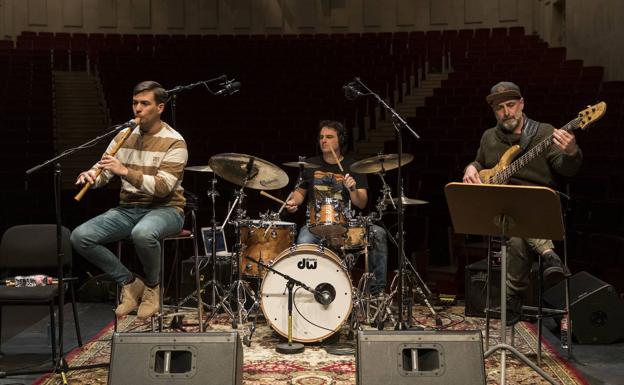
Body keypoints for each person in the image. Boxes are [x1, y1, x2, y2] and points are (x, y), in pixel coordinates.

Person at [462, 81, 581, 325]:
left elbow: (566, 169)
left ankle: (512, 297)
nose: (506, 112)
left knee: (517, 231)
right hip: (503, 212)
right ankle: (549, 255)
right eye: (500, 108)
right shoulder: (489, 137)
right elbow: (479, 162)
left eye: (511, 105)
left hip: (538, 208)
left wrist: (571, 151)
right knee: (513, 222)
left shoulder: (544, 132)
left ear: (522, 104)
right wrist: (471, 168)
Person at [71, 81, 188, 319]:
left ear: (160, 108)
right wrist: (91, 176)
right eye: (135, 103)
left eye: (145, 103)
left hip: (166, 209)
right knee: (80, 237)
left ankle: (154, 288)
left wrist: (124, 171)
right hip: (128, 209)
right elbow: (103, 171)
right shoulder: (124, 135)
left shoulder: (175, 141)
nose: (138, 109)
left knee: (142, 234)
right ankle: (130, 282)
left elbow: (163, 187)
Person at [285, 120, 388, 296]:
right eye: (321, 137)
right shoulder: (310, 165)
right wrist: (293, 203)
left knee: (378, 234)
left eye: (329, 137)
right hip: (315, 225)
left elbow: (361, 203)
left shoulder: (353, 166)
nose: (324, 140)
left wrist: (353, 188)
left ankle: (377, 293)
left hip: (346, 224)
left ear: (340, 140)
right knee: (303, 243)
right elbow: (299, 194)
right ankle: (308, 293)